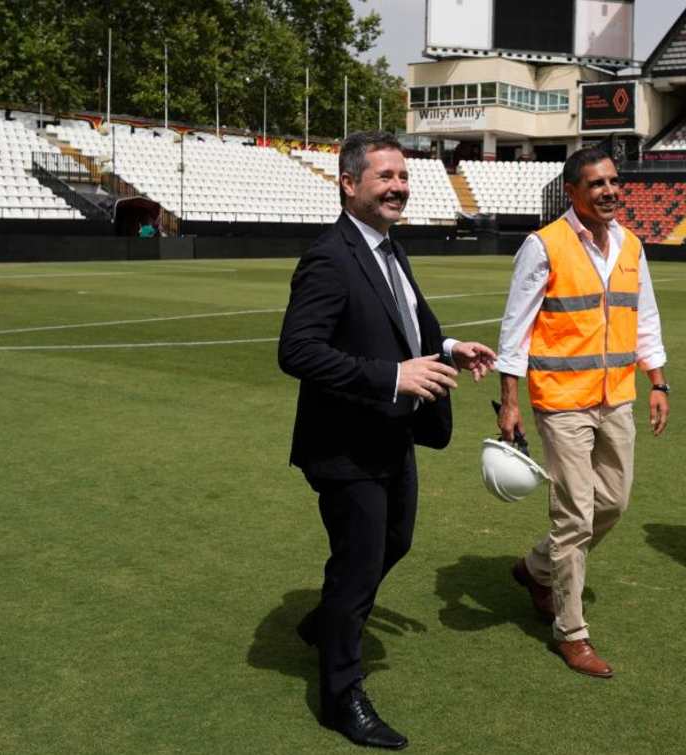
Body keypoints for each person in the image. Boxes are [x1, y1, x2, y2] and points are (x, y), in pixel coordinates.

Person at [278, 130, 496, 750]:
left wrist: (450, 347)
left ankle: (325, 622)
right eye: (385, 177)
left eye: (403, 176)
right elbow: (296, 351)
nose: (399, 186)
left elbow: (412, 321)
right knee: (357, 563)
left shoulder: (388, 248)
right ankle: (340, 695)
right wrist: (391, 376)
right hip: (345, 443)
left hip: (392, 434)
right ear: (350, 184)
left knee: (393, 543)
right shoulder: (330, 255)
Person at [496, 148, 669, 679]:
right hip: (562, 401)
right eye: (596, 184)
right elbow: (516, 326)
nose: (610, 191)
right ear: (572, 191)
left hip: (617, 395)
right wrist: (509, 401)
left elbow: (645, 318)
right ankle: (572, 633)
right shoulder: (543, 245)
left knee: (613, 503)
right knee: (575, 516)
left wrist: (657, 379)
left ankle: (535, 568)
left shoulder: (631, 244)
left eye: (614, 181)